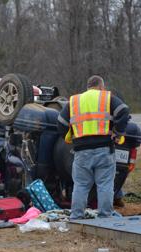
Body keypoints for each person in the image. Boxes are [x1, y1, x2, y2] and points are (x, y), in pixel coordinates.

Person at [57, 75, 129, 219]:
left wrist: (71, 137)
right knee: (105, 184)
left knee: (81, 185)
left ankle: (76, 217)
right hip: (104, 149)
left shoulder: (75, 101)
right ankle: (105, 217)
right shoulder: (107, 98)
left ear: (88, 87)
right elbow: (123, 110)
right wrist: (117, 132)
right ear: (101, 87)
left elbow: (60, 122)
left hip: (81, 151)